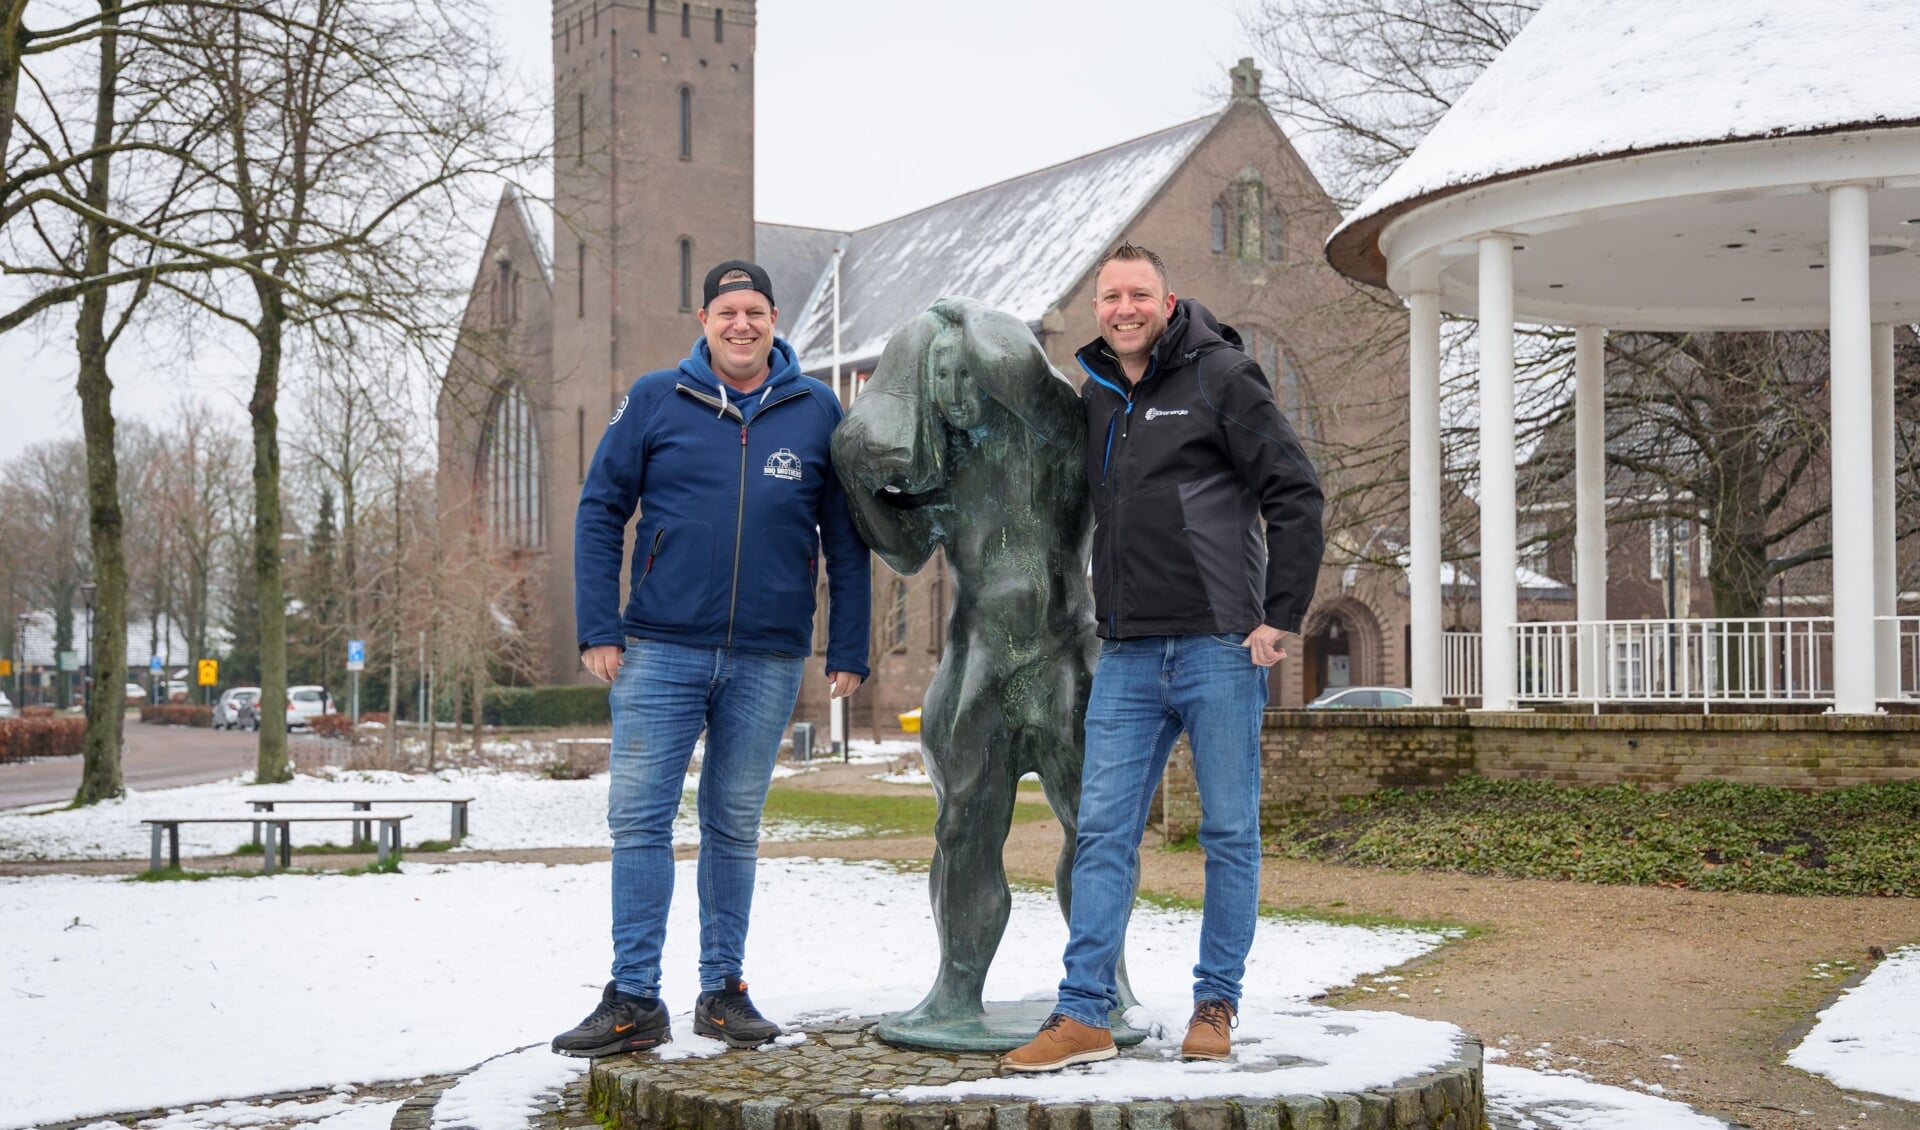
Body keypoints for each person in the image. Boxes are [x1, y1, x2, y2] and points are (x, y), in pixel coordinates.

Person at [1002, 243, 1324, 1072]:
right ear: (1097, 308)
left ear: (1167, 300)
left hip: (1220, 644)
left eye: (1137, 294)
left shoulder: (1222, 377)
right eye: (1110, 297)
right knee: (1101, 831)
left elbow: (1295, 491)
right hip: (1129, 654)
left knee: (1228, 835)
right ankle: (1083, 1013)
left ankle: (1214, 1006)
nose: (1123, 309)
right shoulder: (1098, 395)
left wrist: (1278, 616)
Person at [554, 260, 871, 1057]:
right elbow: (600, 509)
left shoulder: (816, 408)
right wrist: (599, 625)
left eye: (756, 311)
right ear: (704, 318)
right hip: (659, 649)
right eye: (727, 310)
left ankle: (723, 991)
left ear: (773, 319)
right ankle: (633, 997)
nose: (742, 324)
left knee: (733, 825)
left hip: (768, 656)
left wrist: (851, 643)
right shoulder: (657, 399)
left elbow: (847, 537)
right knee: (640, 824)